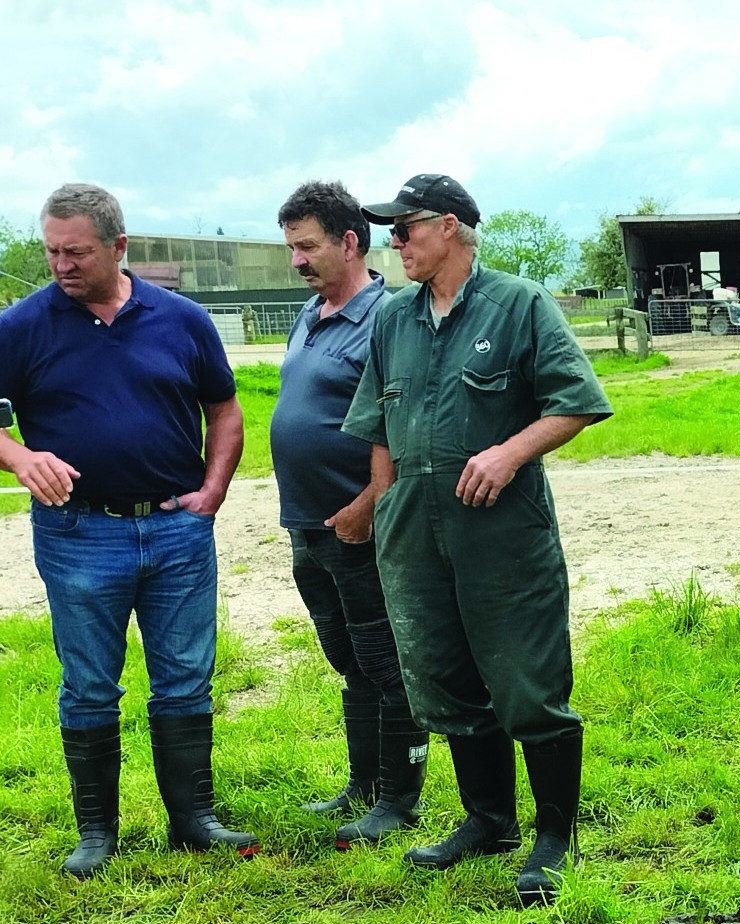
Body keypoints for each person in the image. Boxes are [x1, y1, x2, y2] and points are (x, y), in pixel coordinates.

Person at [342, 174, 611, 906]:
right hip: (417, 534)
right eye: (390, 232)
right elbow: (379, 426)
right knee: (447, 674)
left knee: (525, 678)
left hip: (502, 536)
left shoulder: (518, 304)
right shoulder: (394, 319)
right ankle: (487, 819)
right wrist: (383, 500)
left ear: (451, 227)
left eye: (405, 229)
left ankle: (555, 836)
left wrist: (509, 452)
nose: (393, 244)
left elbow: (578, 402)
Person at [0, 183, 257, 876]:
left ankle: (194, 820)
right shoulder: (20, 327)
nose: (61, 264)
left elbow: (225, 411)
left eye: (76, 251)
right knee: (88, 684)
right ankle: (97, 835)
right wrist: (21, 456)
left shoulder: (182, 319)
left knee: (185, 679)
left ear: (119, 246)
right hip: (78, 534)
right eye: (52, 251)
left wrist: (213, 488)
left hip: (177, 531)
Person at [273, 180, 426, 847]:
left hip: (363, 525)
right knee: (349, 659)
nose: (297, 260)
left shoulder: (388, 318)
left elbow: (403, 423)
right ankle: (363, 784)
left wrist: (368, 502)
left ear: (351, 241)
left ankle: (398, 798)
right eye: (291, 248)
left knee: (386, 658)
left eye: (308, 246)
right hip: (309, 525)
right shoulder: (308, 316)